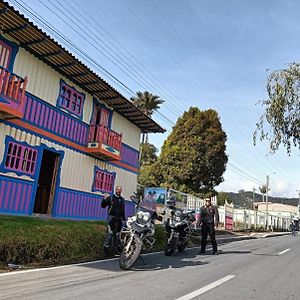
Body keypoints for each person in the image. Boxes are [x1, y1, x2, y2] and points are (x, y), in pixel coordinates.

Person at [101, 185, 126, 255]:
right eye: (118, 189)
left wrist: (124, 219)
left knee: (118, 235)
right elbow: (103, 206)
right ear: (115, 190)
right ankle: (106, 250)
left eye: (120, 190)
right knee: (110, 233)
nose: (119, 191)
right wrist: (104, 199)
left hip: (119, 219)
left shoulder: (122, 199)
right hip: (111, 217)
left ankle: (116, 250)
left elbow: (123, 210)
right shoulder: (111, 197)